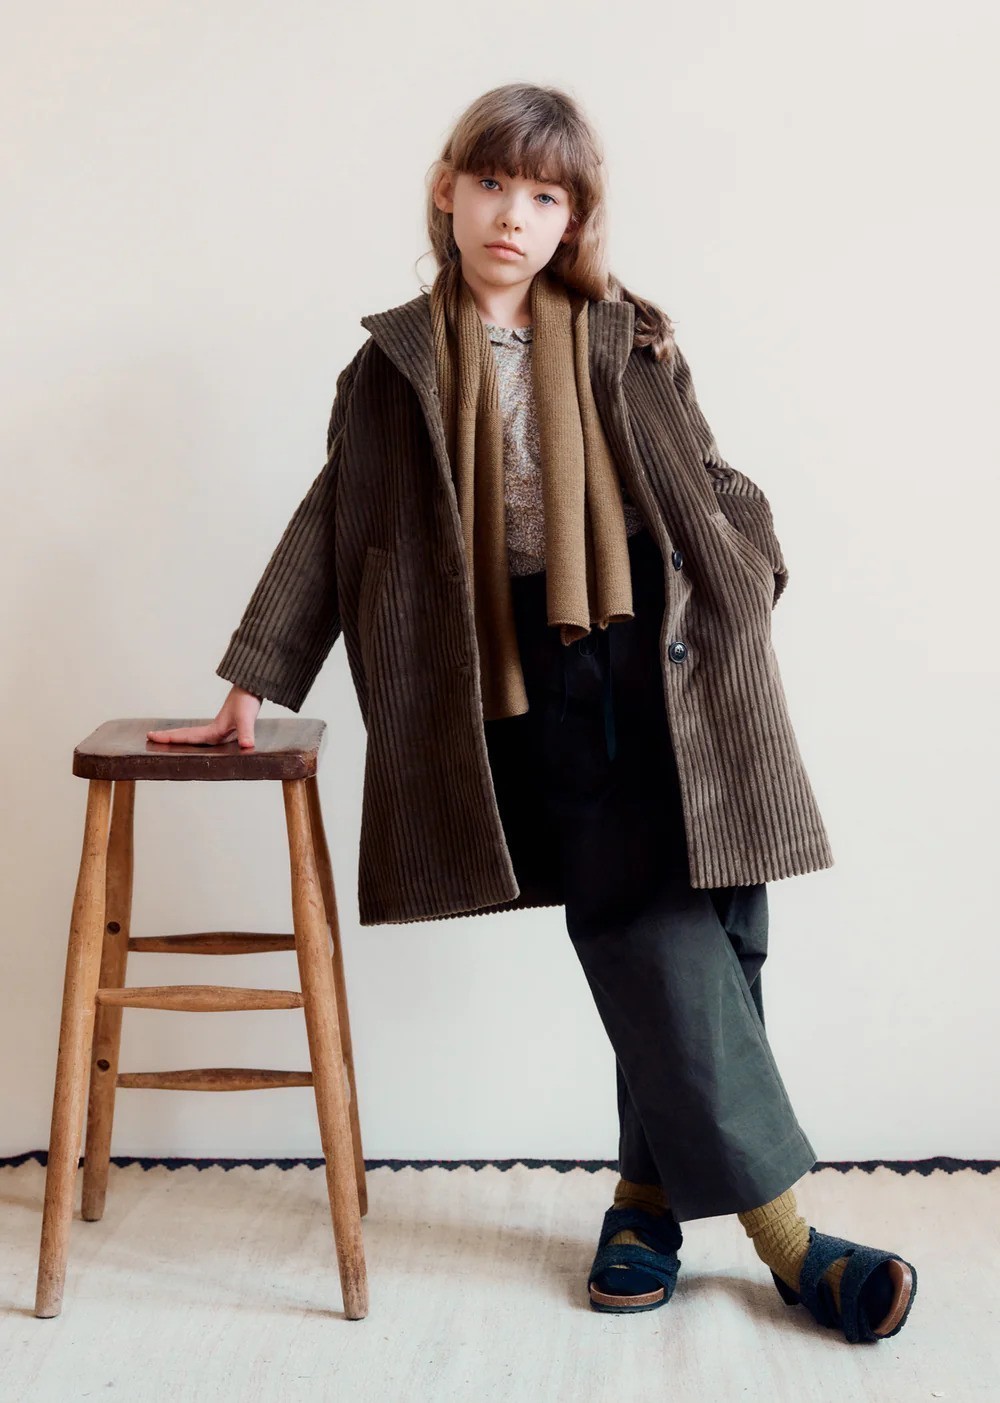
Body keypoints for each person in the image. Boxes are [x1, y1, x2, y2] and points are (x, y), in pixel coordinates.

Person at [148, 82, 917, 1342]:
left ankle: (644, 1206)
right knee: (646, 924)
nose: (515, 214)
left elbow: (706, 472)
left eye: (546, 195)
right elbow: (332, 521)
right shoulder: (394, 362)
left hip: (672, 653)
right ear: (447, 191)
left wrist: (749, 566)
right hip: (533, 667)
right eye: (494, 183)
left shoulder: (627, 333)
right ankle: (790, 1240)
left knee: (722, 925)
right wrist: (251, 681)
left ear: (573, 219)